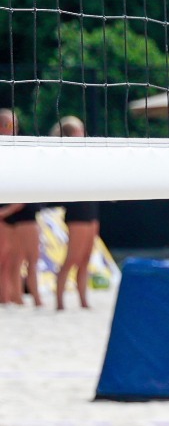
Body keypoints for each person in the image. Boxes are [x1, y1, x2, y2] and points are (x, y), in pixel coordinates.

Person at [49, 117, 100, 311]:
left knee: (86, 259)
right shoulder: (66, 156)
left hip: (91, 209)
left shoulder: (87, 154)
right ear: (69, 135)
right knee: (72, 259)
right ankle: (60, 303)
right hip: (77, 211)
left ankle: (83, 301)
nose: (83, 134)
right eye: (79, 131)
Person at [0, 107, 33, 307]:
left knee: (18, 259)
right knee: (3, 259)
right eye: (5, 124)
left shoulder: (20, 147)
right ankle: (5, 298)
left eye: (13, 124)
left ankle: (16, 297)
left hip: (15, 209)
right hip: (4, 208)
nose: (10, 128)